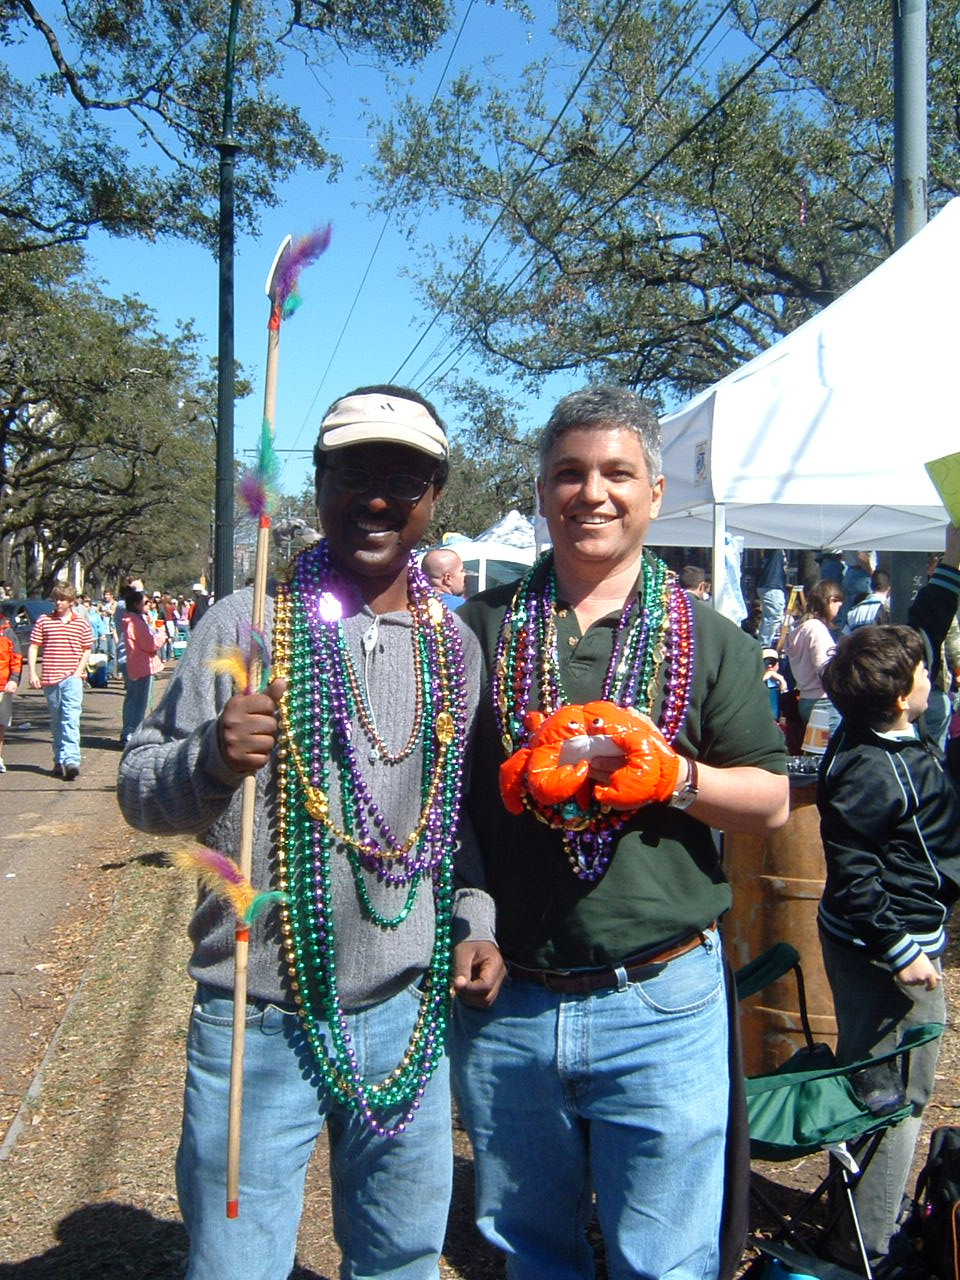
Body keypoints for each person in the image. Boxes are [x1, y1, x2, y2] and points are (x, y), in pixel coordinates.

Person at [117, 384, 503, 1280]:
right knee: (236, 1263)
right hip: (257, 1012)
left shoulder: (455, 649)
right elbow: (139, 793)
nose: (377, 499)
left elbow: (452, 820)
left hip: (407, 1016)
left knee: (401, 1260)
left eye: (404, 481)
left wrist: (473, 920)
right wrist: (211, 758)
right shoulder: (245, 621)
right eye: (354, 474)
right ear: (319, 482)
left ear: (435, 499)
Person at [454, 386, 789, 1280]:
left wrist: (676, 778)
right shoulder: (475, 631)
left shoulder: (711, 639)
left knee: (664, 1262)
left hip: (661, 1000)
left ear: (655, 493)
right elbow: (447, 810)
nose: (591, 493)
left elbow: (770, 800)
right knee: (532, 1253)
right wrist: (468, 923)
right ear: (541, 491)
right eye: (569, 473)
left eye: (617, 473)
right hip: (510, 1001)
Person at [817, 625, 960, 1269]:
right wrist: (902, 951)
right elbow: (855, 877)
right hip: (886, 953)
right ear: (902, 696)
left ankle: (859, 1218)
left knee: (875, 1084)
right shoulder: (874, 769)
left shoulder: (875, 733)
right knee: (894, 1097)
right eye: (925, 671)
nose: (934, 678)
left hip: (878, 937)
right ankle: (867, 1247)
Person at [27, 583, 92, 781]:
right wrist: (33, 672)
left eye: (62, 599)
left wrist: (78, 672)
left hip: (72, 677)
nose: (58, 603)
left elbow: (86, 648)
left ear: (71, 601)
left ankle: (71, 760)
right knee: (57, 720)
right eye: (56, 599)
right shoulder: (44, 621)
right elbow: (34, 646)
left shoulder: (81, 623)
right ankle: (59, 757)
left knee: (71, 718)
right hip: (50, 678)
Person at [783, 578, 844, 726]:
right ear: (831, 600)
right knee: (830, 742)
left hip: (806, 698)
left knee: (814, 742)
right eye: (838, 605)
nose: (838, 611)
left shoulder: (800, 629)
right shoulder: (816, 629)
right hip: (823, 702)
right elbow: (824, 667)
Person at [120, 589, 164, 745]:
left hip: (134, 664)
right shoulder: (136, 622)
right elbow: (150, 644)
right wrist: (161, 635)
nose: (149, 605)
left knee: (132, 699)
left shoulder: (130, 620)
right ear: (136, 604)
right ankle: (133, 733)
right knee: (140, 702)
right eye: (145, 602)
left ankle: (128, 731)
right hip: (142, 666)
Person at [0, 612, 22, 772]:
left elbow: (16, 657)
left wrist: (14, 679)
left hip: (2, 686)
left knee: (0, 723)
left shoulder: (7, 632)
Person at [757, 548, 789, 647]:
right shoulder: (775, 550)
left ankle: (764, 645)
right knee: (773, 617)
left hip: (771, 586)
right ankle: (764, 646)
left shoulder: (775, 552)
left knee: (771, 617)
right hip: (772, 586)